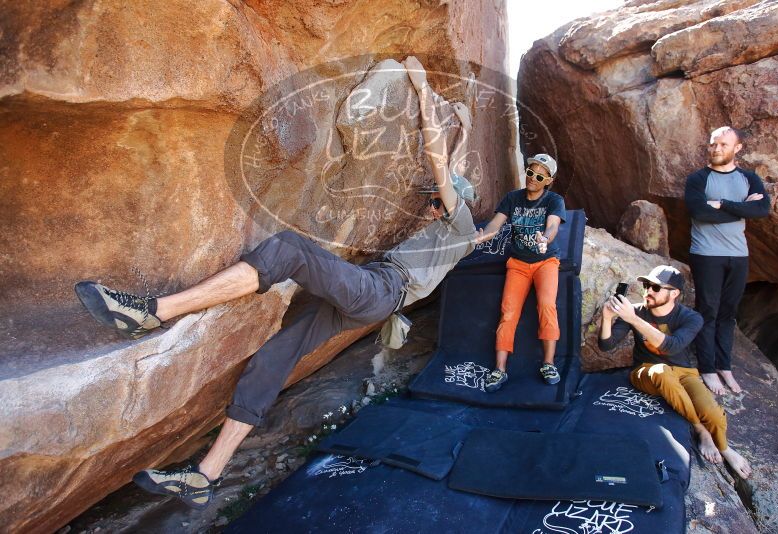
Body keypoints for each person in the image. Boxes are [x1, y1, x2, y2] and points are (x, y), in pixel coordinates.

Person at [73, 56, 481, 509]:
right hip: (373, 294)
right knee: (276, 355)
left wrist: (423, 90)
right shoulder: (454, 230)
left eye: (435, 203)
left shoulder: (460, 224)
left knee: (287, 248)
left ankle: (153, 312)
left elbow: (440, 159)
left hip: (381, 290)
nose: (428, 208)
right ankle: (206, 475)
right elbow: (454, 170)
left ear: (451, 207)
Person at [599, 265, 752, 479]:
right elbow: (606, 346)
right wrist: (607, 318)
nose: (648, 291)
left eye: (655, 287)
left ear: (674, 293)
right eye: (646, 285)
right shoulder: (634, 311)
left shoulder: (691, 318)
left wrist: (634, 319)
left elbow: (671, 346)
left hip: (684, 372)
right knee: (662, 372)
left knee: (712, 412)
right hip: (646, 371)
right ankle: (700, 430)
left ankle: (724, 447)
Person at [684, 126, 770, 395]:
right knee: (708, 310)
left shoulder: (748, 178)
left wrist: (721, 203)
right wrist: (742, 208)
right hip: (707, 254)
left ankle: (724, 366)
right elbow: (700, 213)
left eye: (723, 144)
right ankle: (708, 369)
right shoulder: (698, 179)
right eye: (713, 144)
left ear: (737, 148)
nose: (717, 149)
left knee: (728, 313)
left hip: (739, 255)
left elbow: (762, 209)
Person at [476, 153, 566, 391]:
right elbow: (496, 224)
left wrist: (545, 239)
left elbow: (554, 224)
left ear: (548, 181)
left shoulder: (554, 200)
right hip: (518, 263)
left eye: (539, 176)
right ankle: (500, 369)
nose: (533, 178)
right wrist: (481, 236)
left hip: (545, 261)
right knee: (508, 312)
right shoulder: (513, 198)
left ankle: (548, 363)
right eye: (530, 173)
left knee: (547, 306)